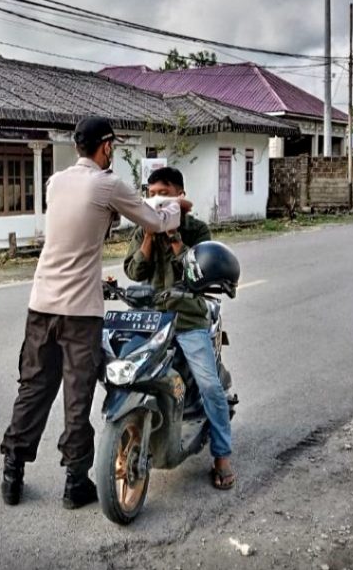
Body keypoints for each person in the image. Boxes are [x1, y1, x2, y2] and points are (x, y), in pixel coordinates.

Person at [0, 117, 187, 509]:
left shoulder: (56, 182)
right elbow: (153, 219)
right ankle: (74, 484)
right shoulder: (107, 183)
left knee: (33, 388)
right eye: (112, 147)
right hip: (80, 312)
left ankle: (12, 475)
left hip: (41, 303)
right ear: (105, 148)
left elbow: (76, 234)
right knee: (76, 395)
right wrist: (176, 205)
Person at [122, 167, 236, 489]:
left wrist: (173, 235)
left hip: (187, 318)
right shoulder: (143, 228)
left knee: (210, 386)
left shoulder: (197, 229)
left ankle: (222, 455)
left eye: (165, 193)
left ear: (180, 196)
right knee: (125, 372)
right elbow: (133, 270)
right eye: (153, 193)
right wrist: (148, 233)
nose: (158, 199)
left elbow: (196, 272)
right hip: (150, 318)